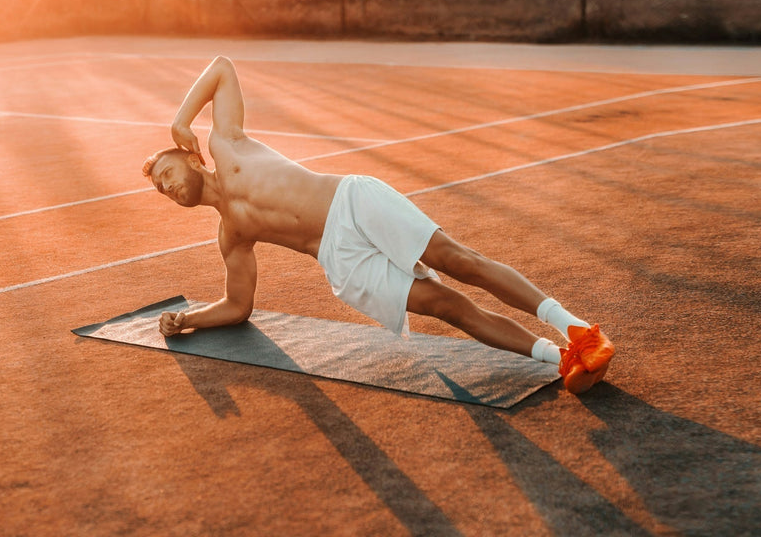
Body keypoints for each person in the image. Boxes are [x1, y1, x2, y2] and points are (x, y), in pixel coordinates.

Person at [142, 56, 614, 394]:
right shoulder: (232, 235)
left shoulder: (226, 143)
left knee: (458, 260)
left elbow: (223, 67)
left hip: (352, 201)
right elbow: (238, 305)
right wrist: (189, 320)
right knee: (447, 306)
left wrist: (181, 119)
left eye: (167, 175)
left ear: (190, 158)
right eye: (163, 191)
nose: (169, 189)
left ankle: (577, 331)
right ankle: (560, 360)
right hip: (340, 260)